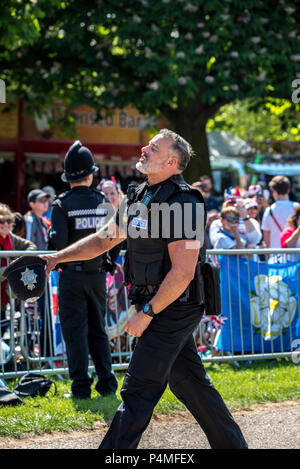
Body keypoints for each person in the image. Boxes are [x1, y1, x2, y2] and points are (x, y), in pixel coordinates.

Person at [42, 129, 248, 449]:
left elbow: (182, 272)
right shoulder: (139, 194)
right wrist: (57, 257)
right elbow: (103, 240)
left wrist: (147, 313)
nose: (144, 149)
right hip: (157, 301)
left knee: (138, 389)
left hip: (175, 303)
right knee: (189, 383)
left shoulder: (185, 202)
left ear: (171, 161)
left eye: (152, 148)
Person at [48, 140, 118, 399]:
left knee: (74, 332)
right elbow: (115, 238)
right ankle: (108, 385)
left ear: (68, 178)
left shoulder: (61, 204)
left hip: (71, 276)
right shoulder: (102, 201)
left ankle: (80, 388)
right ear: (91, 175)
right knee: (98, 330)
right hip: (98, 275)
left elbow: (59, 242)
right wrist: (108, 263)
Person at [0, 204, 36, 336]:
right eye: (1, 221)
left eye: (8, 221)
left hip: (4, 295)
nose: (5, 224)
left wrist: (19, 260)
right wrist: (11, 268)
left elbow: (31, 245)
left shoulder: (11, 238)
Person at [261, 176, 299, 249]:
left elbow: (266, 239)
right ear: (288, 190)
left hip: (275, 255)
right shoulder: (297, 207)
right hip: (295, 254)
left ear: (274, 191)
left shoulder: (269, 210)